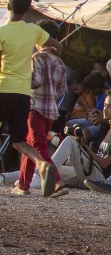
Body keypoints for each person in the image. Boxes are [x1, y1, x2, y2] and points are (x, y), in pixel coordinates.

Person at [0, 0, 62, 194]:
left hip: (3, 88)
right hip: (23, 95)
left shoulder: (2, 32)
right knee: (19, 140)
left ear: (8, 6)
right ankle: (42, 164)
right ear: (28, 11)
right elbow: (57, 46)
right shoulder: (33, 31)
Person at [17, 37, 69, 197]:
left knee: (38, 147)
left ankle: (57, 183)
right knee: (30, 144)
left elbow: (35, 82)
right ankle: (23, 185)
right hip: (51, 110)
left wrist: (20, 79)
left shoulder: (37, 58)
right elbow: (62, 90)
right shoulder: (60, 62)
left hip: (35, 108)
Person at [55, 89, 111, 188]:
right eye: (105, 105)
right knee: (47, 170)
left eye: (110, 106)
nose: (105, 110)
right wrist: (82, 143)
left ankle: (45, 170)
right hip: (88, 171)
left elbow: (104, 164)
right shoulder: (106, 127)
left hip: (100, 178)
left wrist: (85, 148)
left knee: (69, 142)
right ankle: (41, 175)